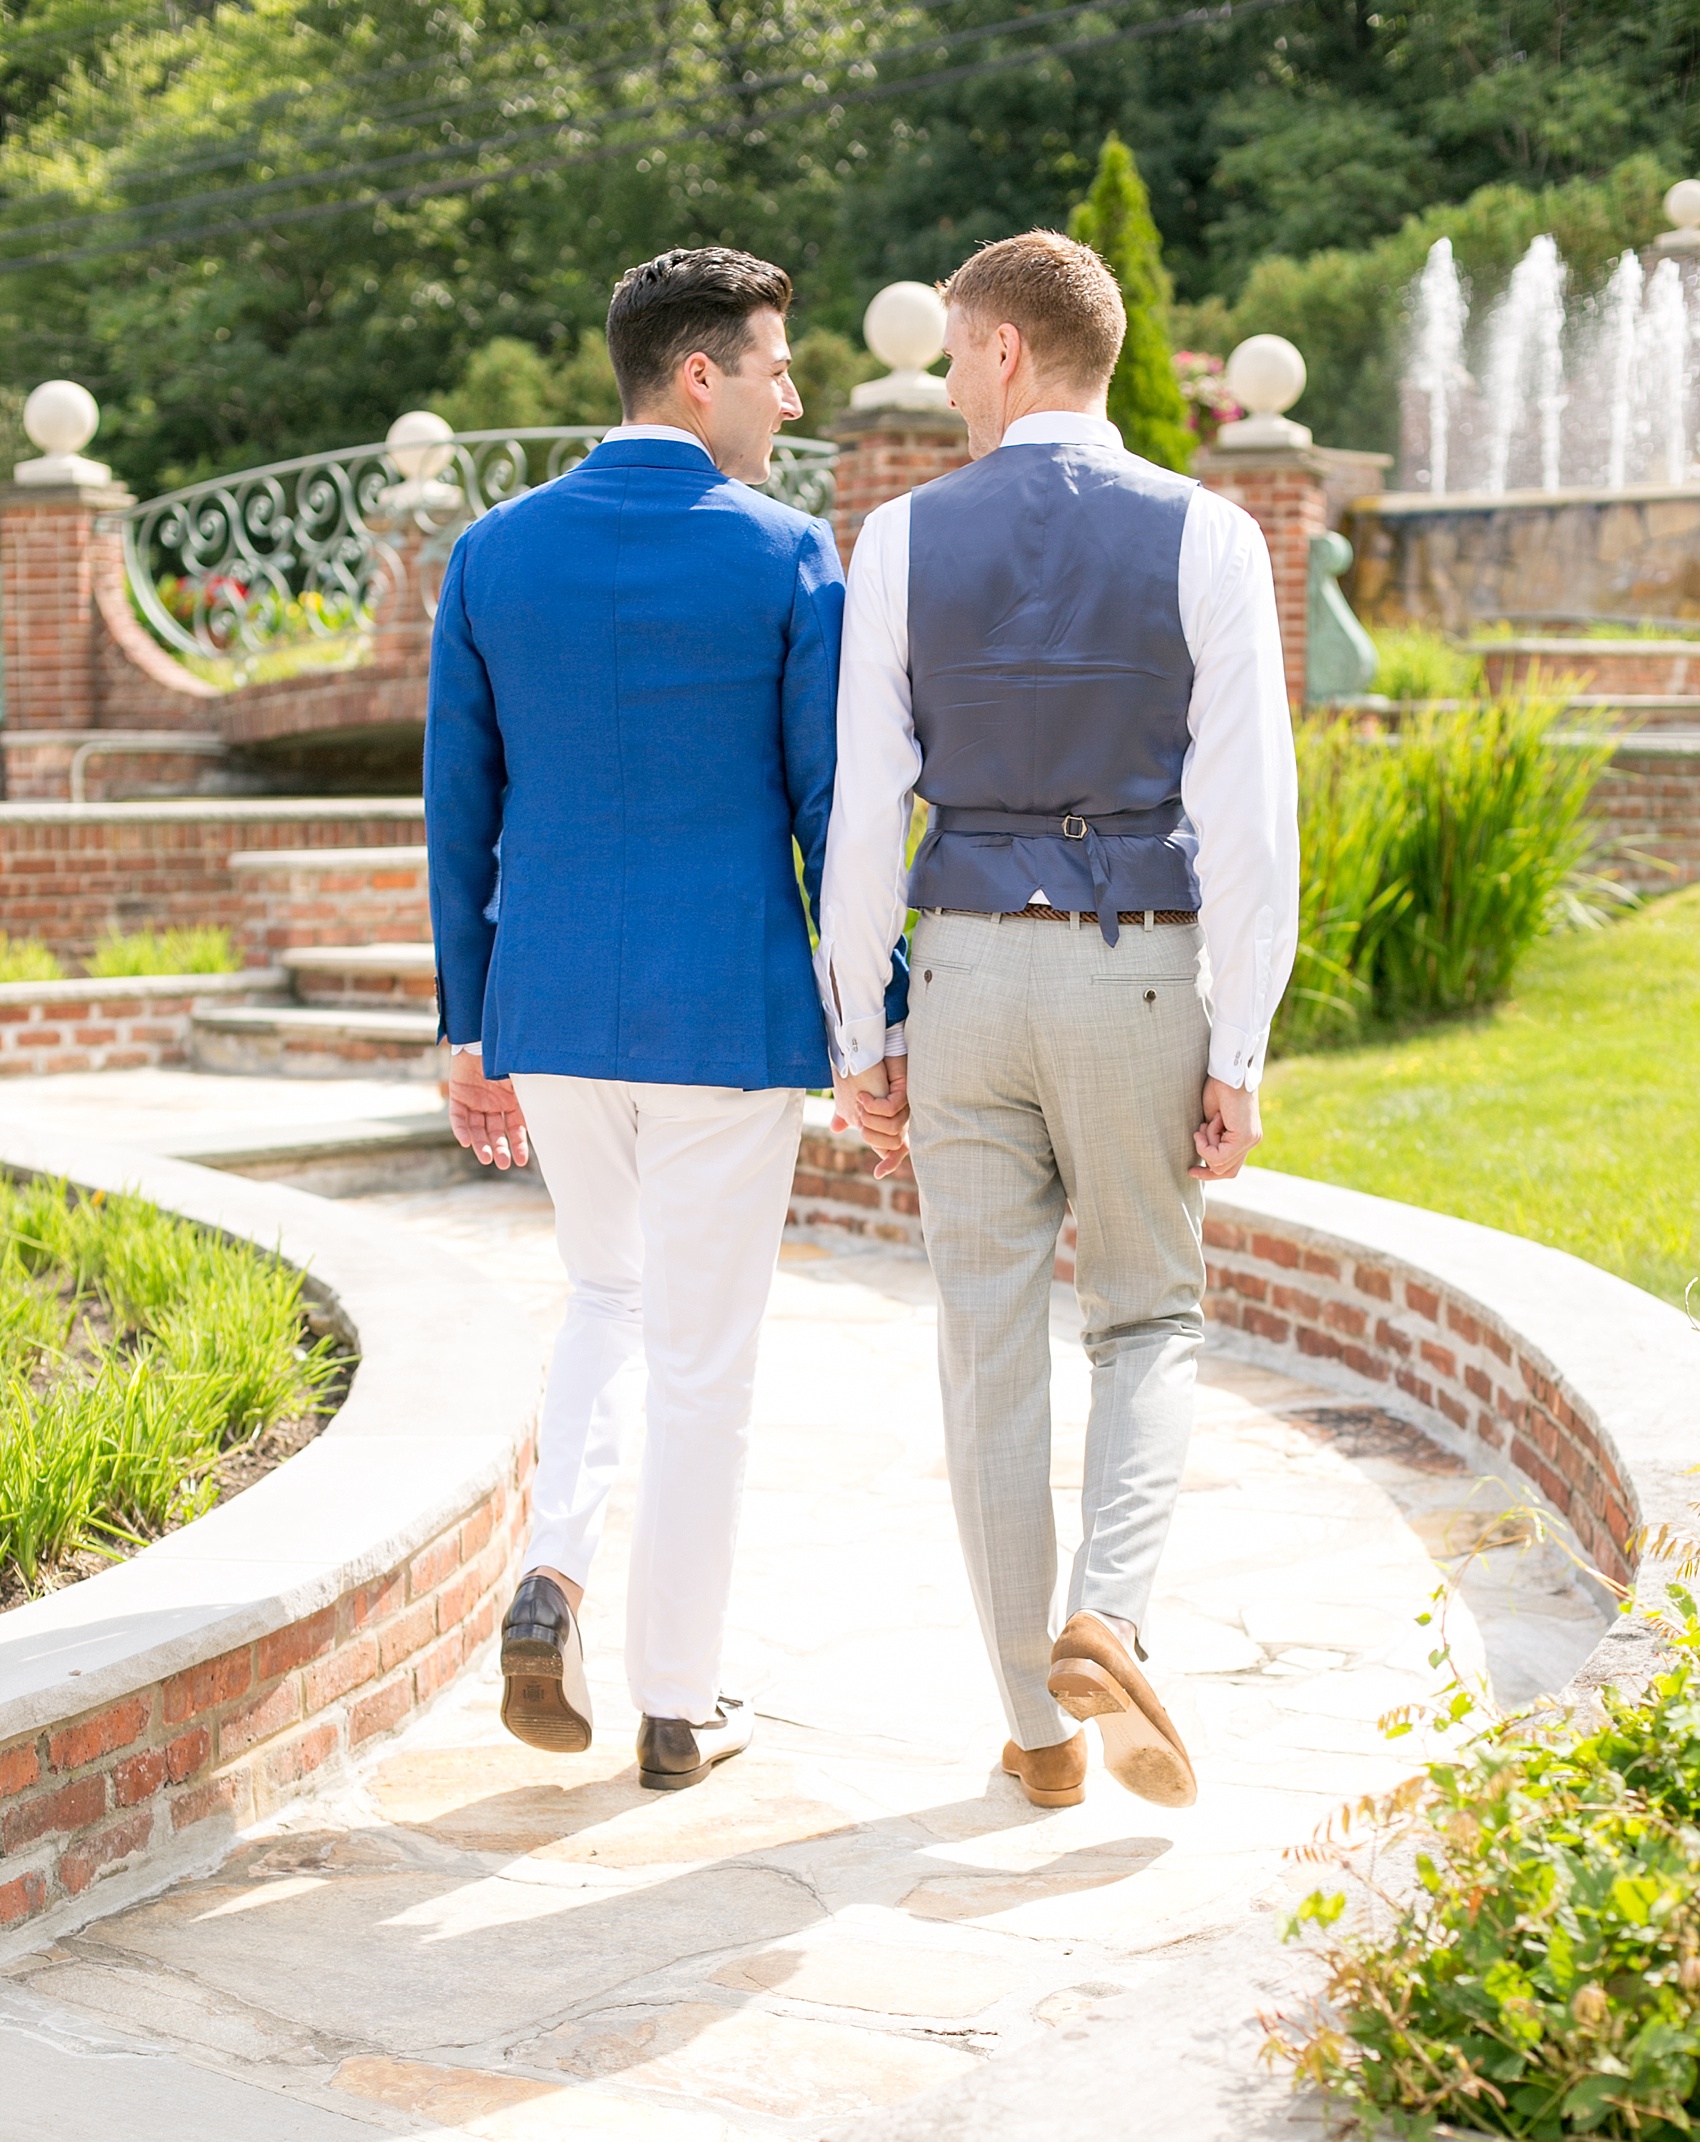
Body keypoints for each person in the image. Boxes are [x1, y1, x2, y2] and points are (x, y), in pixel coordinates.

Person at [816, 231, 1299, 1812]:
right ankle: (1112, 1612)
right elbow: (1250, 816)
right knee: (1150, 1316)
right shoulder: (1210, 533)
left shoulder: (895, 541)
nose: (953, 384)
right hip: (1134, 968)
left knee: (986, 1352)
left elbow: (863, 809)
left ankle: (1039, 1729)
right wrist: (1240, 1048)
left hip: (957, 975)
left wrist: (859, 1030)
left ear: (1008, 352)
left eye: (959, 354)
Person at [427, 246, 898, 1792]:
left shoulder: (492, 557)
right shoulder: (783, 556)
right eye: (777, 364)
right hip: (723, 1011)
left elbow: (457, 809)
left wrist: (466, 1023)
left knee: (605, 1296)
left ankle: (553, 1569)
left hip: (549, 1003)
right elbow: (835, 812)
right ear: (700, 376)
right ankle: (679, 1702)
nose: (794, 391)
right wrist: (867, 1018)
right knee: (707, 1359)